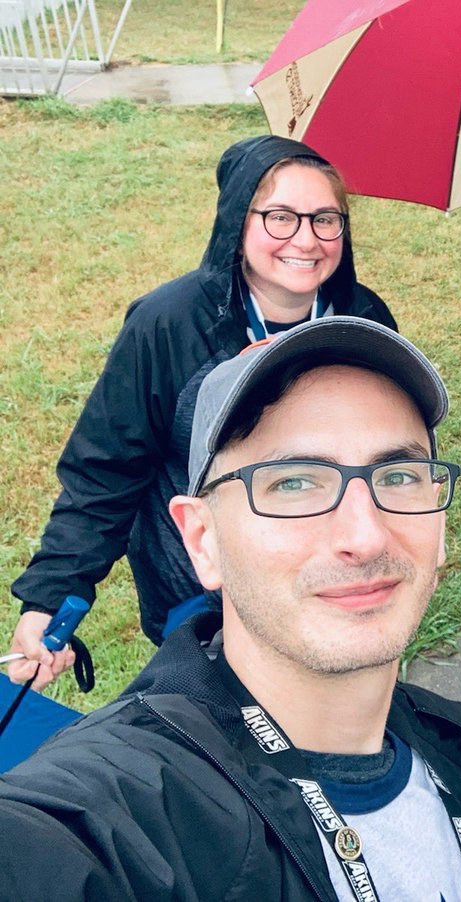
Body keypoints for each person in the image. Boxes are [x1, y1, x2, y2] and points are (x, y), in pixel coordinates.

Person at [0, 316, 461, 900]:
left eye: (399, 474)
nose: (365, 535)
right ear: (202, 539)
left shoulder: (455, 743)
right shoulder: (121, 815)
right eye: (292, 483)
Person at [7, 135, 396, 690]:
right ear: (238, 222)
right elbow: (106, 470)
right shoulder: (168, 325)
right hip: (207, 598)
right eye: (280, 217)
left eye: (325, 219)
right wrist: (50, 599)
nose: (306, 239)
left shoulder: (364, 317)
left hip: (334, 576)